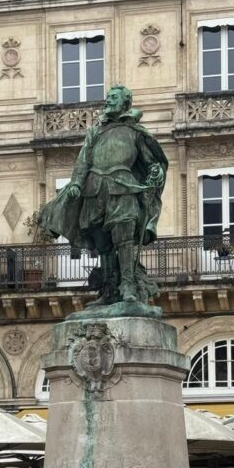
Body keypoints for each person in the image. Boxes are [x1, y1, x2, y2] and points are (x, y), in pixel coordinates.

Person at [38, 84, 168, 306]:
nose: (109, 101)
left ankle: (127, 286)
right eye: (108, 97)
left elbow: (152, 162)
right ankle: (108, 290)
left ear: (125, 103)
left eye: (114, 98)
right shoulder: (95, 132)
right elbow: (83, 161)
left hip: (123, 188)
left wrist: (156, 170)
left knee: (124, 237)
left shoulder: (135, 133)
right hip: (94, 190)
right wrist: (77, 183)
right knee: (102, 242)